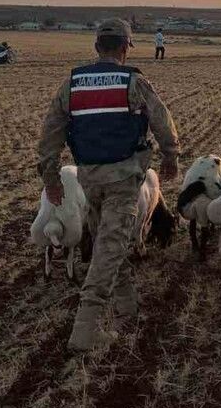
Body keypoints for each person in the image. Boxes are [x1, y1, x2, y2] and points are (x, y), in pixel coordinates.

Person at [36, 18, 181, 352]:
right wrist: (171, 156)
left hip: (89, 179)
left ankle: (128, 307)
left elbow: (50, 135)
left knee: (109, 240)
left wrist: (51, 179)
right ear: (125, 47)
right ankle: (85, 332)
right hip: (123, 180)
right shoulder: (133, 81)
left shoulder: (72, 84)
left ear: (96, 47)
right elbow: (161, 119)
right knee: (110, 247)